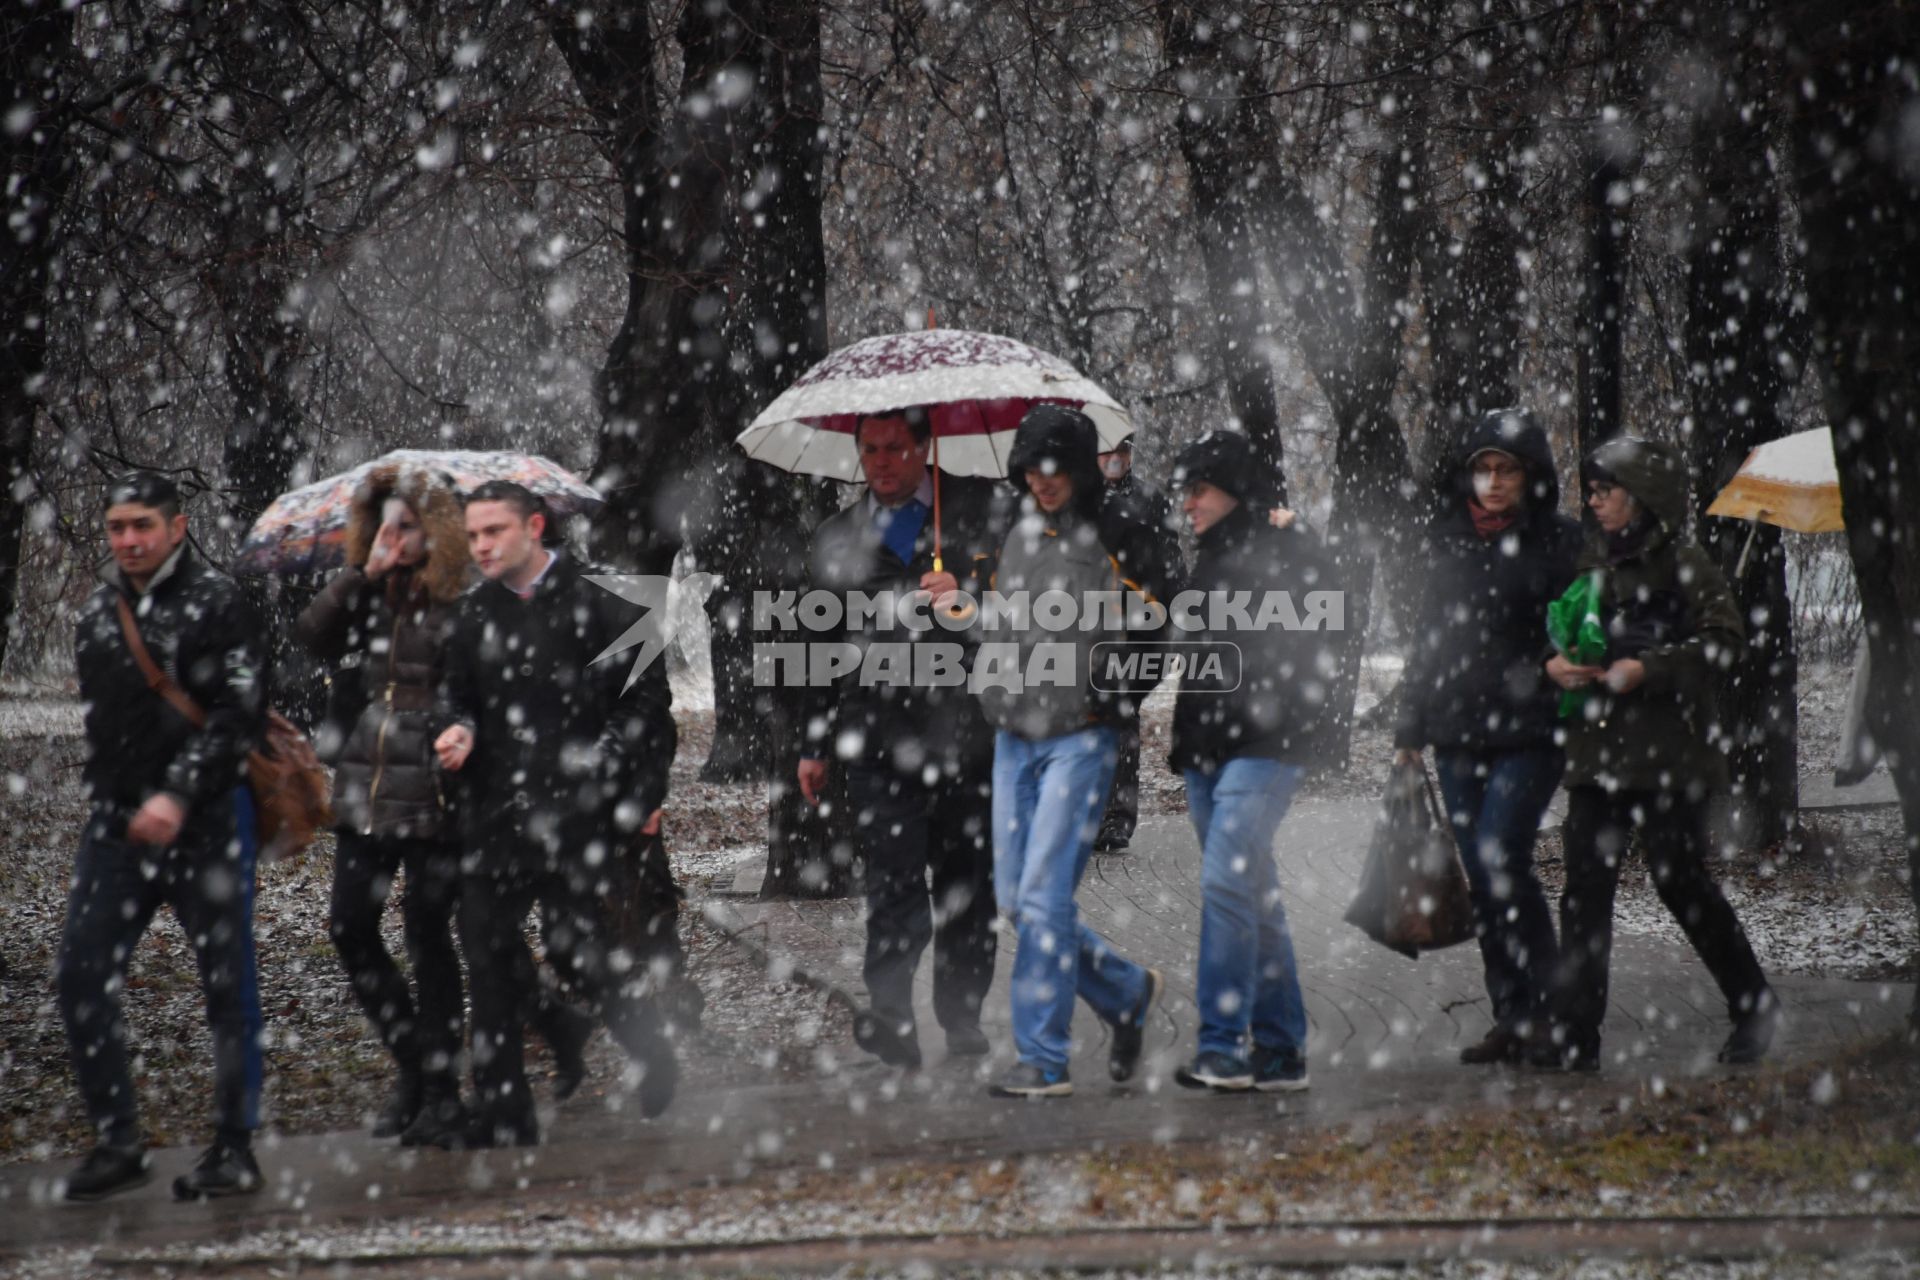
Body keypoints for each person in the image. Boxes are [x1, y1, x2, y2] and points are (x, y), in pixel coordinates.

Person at [294, 465, 592, 1148]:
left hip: (439, 786)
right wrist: (360, 575)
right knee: (350, 925)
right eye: (383, 526)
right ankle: (455, 1051)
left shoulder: (468, 597)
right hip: (369, 784)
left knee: (437, 933)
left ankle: (437, 1090)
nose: (393, 539)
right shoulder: (371, 591)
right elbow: (312, 637)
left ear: (438, 530)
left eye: (407, 526)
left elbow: (484, 687)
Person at [433, 481, 679, 1145]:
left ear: (534, 527)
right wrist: (456, 729)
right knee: (485, 951)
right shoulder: (469, 616)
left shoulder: (604, 606)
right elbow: (454, 696)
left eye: (494, 532)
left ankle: (649, 1044)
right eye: (474, 534)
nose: (481, 546)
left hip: (577, 817)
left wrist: (608, 762)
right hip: (493, 815)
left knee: (580, 954)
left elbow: (647, 704)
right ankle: (503, 1108)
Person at [58, 472, 269, 1201]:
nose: (129, 540)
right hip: (118, 828)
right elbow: (103, 724)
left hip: (208, 823)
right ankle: (118, 1139)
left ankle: (234, 1146)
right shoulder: (96, 610)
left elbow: (239, 716)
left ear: (177, 527)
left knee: (227, 985)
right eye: (117, 527)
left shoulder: (218, 603)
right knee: (80, 974)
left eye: (142, 525)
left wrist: (178, 793)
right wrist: (117, 797)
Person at [1537, 437, 1778, 1071]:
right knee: (1585, 891)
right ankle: (1576, 1037)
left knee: (1680, 881)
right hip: (1597, 756)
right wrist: (1556, 666)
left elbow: (1725, 642)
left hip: (1670, 757)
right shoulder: (1589, 562)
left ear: (1641, 498)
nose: (1594, 502)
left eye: (1605, 490)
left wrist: (1651, 668)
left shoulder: (1683, 562)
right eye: (1589, 491)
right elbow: (1561, 630)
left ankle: (1753, 1004)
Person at [796, 409, 1005, 1069]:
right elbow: (817, 645)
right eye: (869, 450)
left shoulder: (975, 515)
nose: (880, 462)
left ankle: (962, 1017)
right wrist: (813, 739)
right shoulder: (838, 535)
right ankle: (890, 1015)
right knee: (892, 881)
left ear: (924, 447)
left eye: (894, 448)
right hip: (877, 738)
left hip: (965, 735)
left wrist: (967, 598)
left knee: (965, 882)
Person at [977, 405, 1175, 1099]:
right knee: (1015, 898)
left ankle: (1044, 1059)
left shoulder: (1118, 533)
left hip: (1081, 737)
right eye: (1032, 466)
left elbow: (1155, 626)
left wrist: (1112, 698)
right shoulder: (1010, 529)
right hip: (1012, 737)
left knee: (1041, 894)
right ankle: (1122, 992)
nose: (1044, 479)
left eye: (1057, 466)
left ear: (1084, 466)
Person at [1393, 409, 1581, 1065]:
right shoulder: (1452, 543)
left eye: (1507, 469)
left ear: (1531, 477)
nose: (1494, 482)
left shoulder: (1562, 545)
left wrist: (1547, 668)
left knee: (1503, 857)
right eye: (1484, 468)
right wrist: (1409, 729)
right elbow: (1428, 643)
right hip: (1458, 732)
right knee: (1481, 872)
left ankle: (1554, 1016)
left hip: (1531, 730)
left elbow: (1581, 633)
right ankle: (1513, 1013)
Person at [1163, 431, 1342, 1093]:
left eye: (1199, 489)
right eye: (1184, 490)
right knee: (1252, 897)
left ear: (1234, 488)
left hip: (1268, 747)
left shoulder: (1290, 547)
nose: (1187, 502)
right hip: (1207, 747)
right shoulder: (1207, 555)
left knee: (1225, 885)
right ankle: (1280, 1049)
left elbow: (1328, 624)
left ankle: (1221, 1047)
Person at [1092, 438, 1181, 854]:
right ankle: (1093, 812)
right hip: (1088, 627)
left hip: (1138, 628)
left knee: (1121, 712)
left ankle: (1116, 818)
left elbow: (1170, 559)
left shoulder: (1149, 500)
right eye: (1106, 450)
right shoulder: (1080, 501)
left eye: (1122, 450)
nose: (1114, 458)